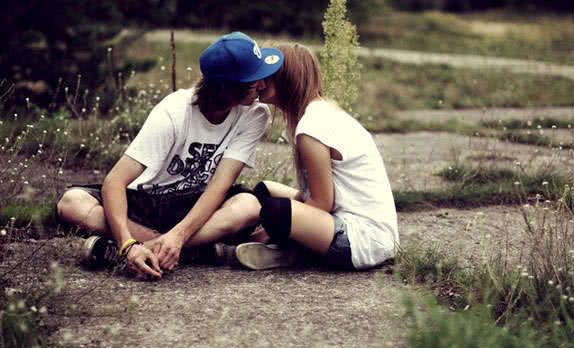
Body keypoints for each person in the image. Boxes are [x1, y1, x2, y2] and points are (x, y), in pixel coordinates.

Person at [56, 32, 284, 278]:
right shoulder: (174, 111)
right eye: (253, 81)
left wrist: (178, 235)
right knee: (72, 203)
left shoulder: (255, 114)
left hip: (195, 204)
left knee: (249, 206)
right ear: (226, 89)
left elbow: (219, 186)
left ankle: (143, 252)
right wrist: (127, 243)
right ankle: (196, 252)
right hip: (147, 200)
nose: (262, 85)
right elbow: (114, 181)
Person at [234, 43, 399, 271]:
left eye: (267, 77)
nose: (258, 84)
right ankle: (293, 251)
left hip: (361, 240)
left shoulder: (312, 127)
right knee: (265, 189)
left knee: (276, 211)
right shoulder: (317, 113)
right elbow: (315, 194)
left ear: (288, 79)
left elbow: (321, 203)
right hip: (353, 225)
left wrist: (267, 232)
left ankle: (293, 252)